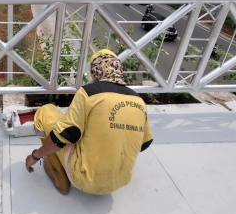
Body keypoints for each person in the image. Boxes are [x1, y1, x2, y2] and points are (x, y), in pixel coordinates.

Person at [25, 49, 153, 195]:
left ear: (95, 71)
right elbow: (144, 143)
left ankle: (59, 175)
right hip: (120, 181)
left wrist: (34, 156)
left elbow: (61, 136)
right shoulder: (138, 101)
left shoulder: (89, 93)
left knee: (45, 112)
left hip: (85, 180)